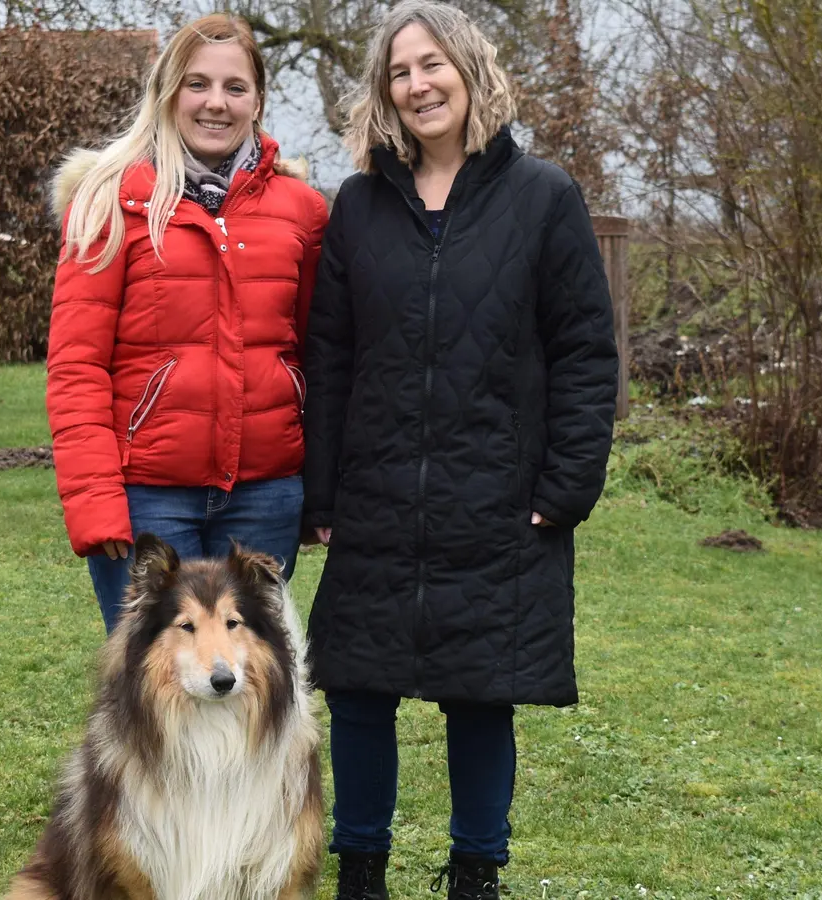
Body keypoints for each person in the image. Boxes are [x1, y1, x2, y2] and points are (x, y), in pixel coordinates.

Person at [302, 1, 618, 896]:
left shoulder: (544, 197)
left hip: (498, 500)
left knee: (480, 696)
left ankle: (476, 872)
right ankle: (361, 869)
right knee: (359, 691)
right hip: (376, 494)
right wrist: (323, 494)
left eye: (432, 64)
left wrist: (565, 487)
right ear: (384, 92)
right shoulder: (359, 204)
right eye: (400, 72)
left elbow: (585, 352)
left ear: (471, 72)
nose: (418, 85)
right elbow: (331, 355)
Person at [47, 14, 327, 631]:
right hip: (147, 498)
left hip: (266, 496)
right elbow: (76, 365)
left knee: (252, 675)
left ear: (258, 100)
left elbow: (319, 353)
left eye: (235, 87)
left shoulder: (302, 211)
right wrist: (95, 500)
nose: (215, 103)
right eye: (197, 84)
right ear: (168, 91)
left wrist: (320, 487)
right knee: (158, 677)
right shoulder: (110, 200)